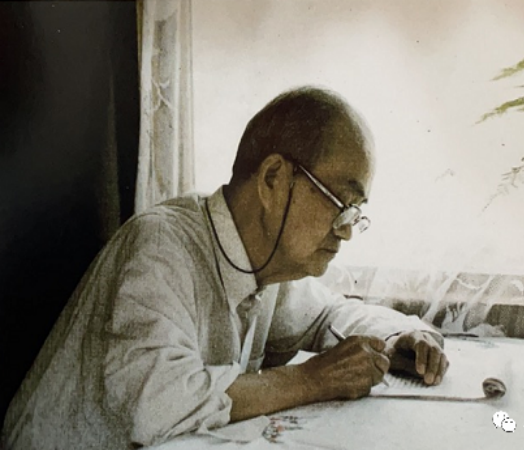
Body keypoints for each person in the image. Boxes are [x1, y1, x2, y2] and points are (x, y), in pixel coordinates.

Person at [2, 86, 449, 449]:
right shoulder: (160, 244)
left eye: (355, 212)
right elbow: (154, 404)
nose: (347, 230)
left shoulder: (269, 263)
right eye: (341, 203)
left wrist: (397, 337)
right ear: (273, 179)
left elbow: (328, 314)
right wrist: (311, 379)